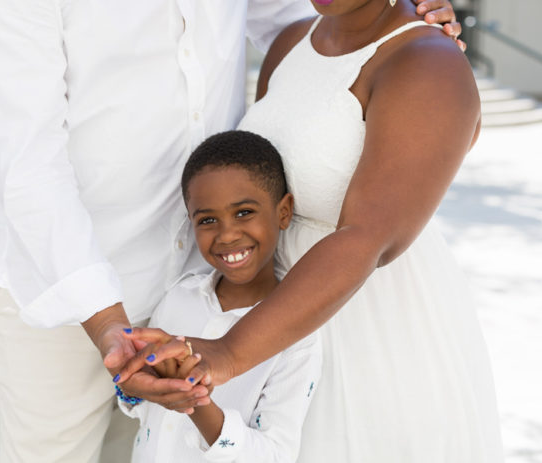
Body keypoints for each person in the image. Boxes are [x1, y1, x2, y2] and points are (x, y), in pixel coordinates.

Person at [0, 0, 460, 461]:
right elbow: (26, 167)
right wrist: (108, 323)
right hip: (66, 295)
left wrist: (408, 30)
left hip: (217, 290)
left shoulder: (419, 59)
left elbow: (303, 20)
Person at [118, 0, 504, 462]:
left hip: (368, 337)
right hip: (271, 336)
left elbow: (369, 236)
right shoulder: (289, 44)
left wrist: (229, 353)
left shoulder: (428, 62)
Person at [117, 130, 321, 462]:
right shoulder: (178, 298)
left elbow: (275, 455)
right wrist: (134, 386)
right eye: (208, 220)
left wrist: (196, 402)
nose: (226, 234)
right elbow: (141, 410)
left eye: (244, 213)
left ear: (283, 212)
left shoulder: (298, 338)